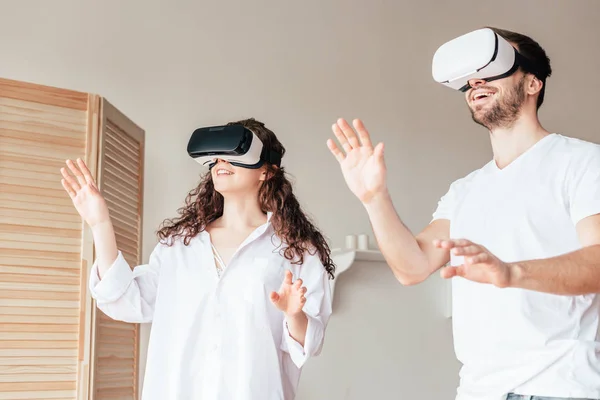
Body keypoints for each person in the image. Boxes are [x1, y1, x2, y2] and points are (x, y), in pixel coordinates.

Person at [327, 27, 600, 400]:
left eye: (493, 68)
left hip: (559, 387)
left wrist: (510, 272)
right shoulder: (465, 191)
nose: (475, 82)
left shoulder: (583, 162)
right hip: (478, 390)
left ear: (533, 83)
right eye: (469, 78)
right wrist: (374, 198)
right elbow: (413, 266)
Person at [61, 118, 334, 400]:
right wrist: (100, 224)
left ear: (266, 171)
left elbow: (310, 343)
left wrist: (294, 314)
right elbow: (126, 300)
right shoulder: (179, 244)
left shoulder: (297, 249)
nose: (220, 162)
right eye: (216, 157)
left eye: (233, 153)